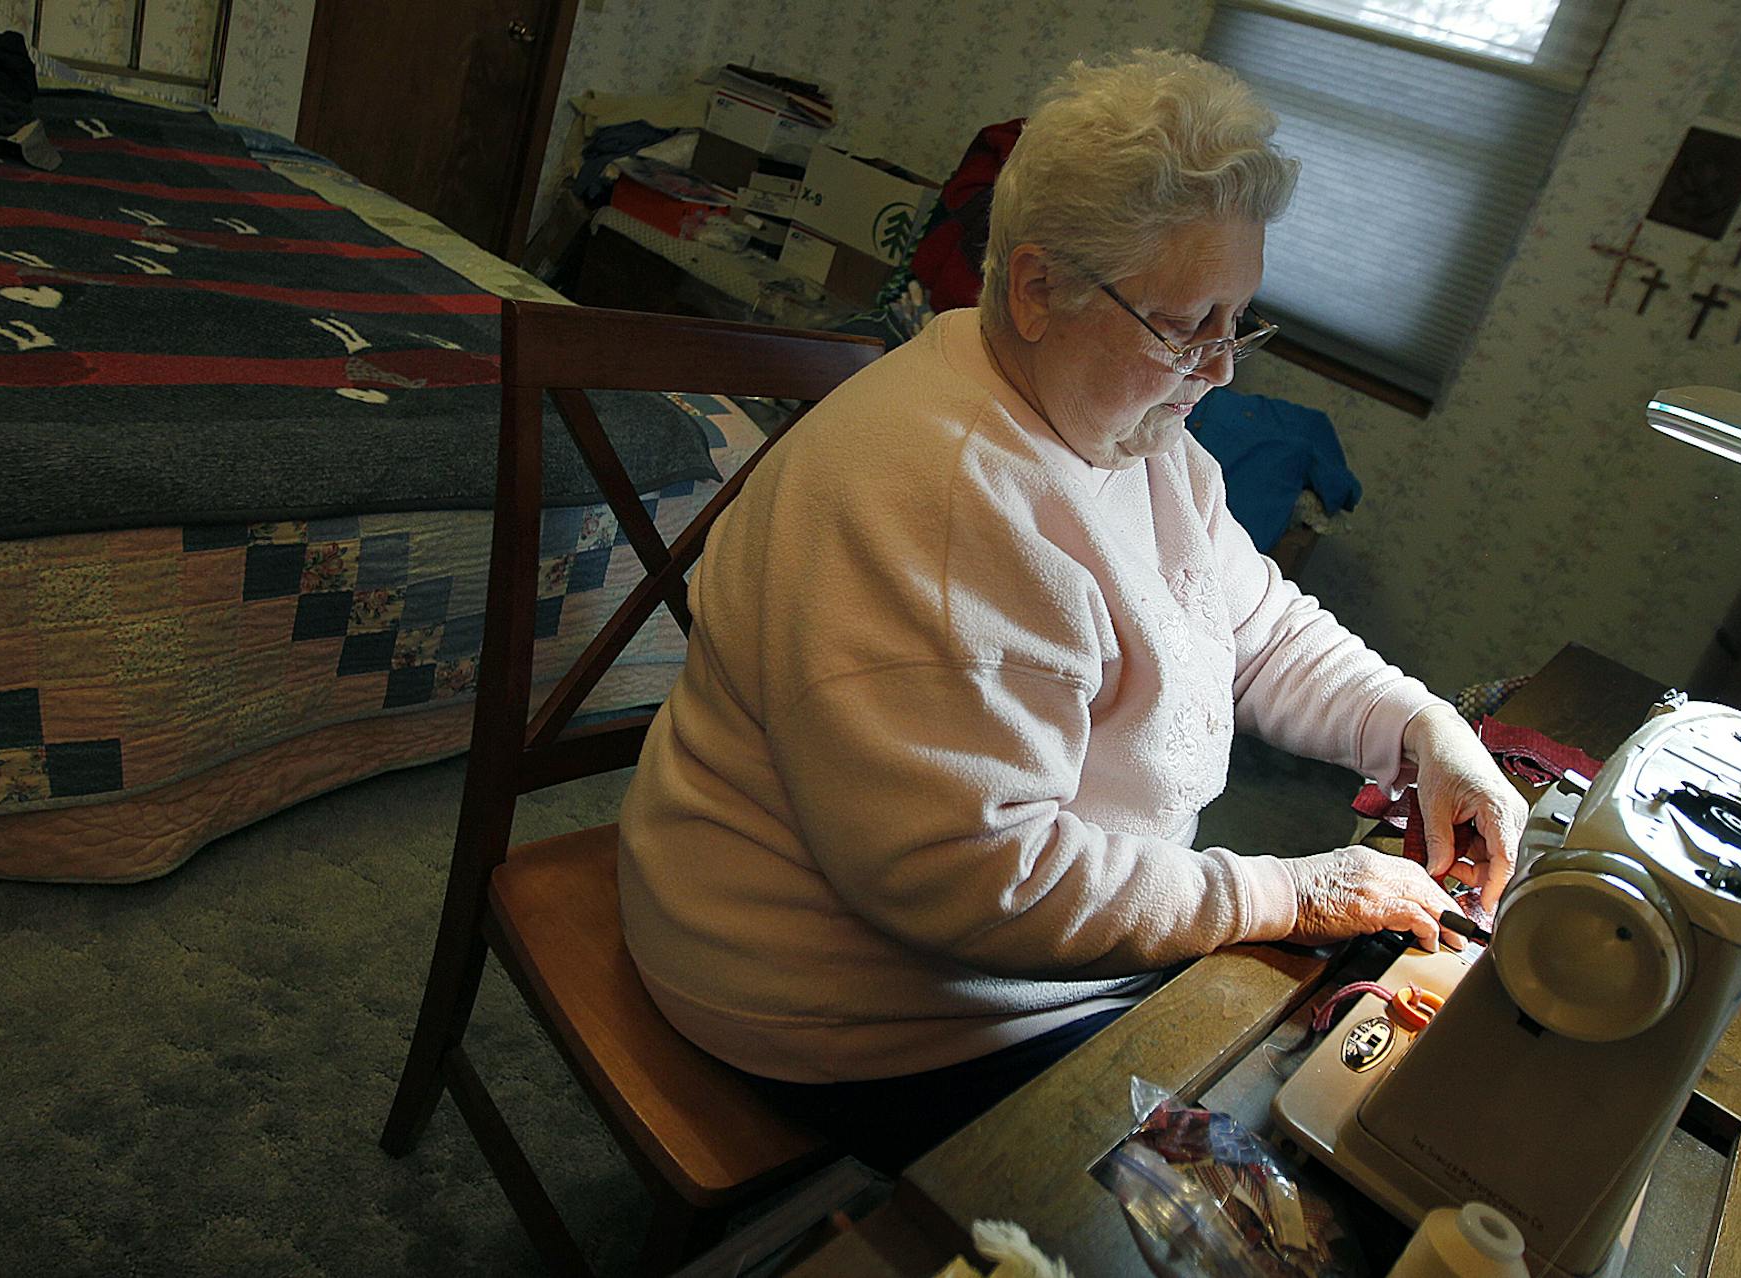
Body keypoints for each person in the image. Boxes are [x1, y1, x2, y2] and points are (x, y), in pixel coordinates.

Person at [618, 49, 1527, 1174]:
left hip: (1025, 949)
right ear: (1037, 287)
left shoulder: (1131, 431)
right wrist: (1283, 892)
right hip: (846, 1001)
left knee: (1325, 1074)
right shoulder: (946, 502)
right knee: (1266, 1158)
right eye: (1184, 323)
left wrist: (1424, 729)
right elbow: (982, 880)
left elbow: (1260, 626)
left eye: (1238, 320)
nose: (1218, 369)